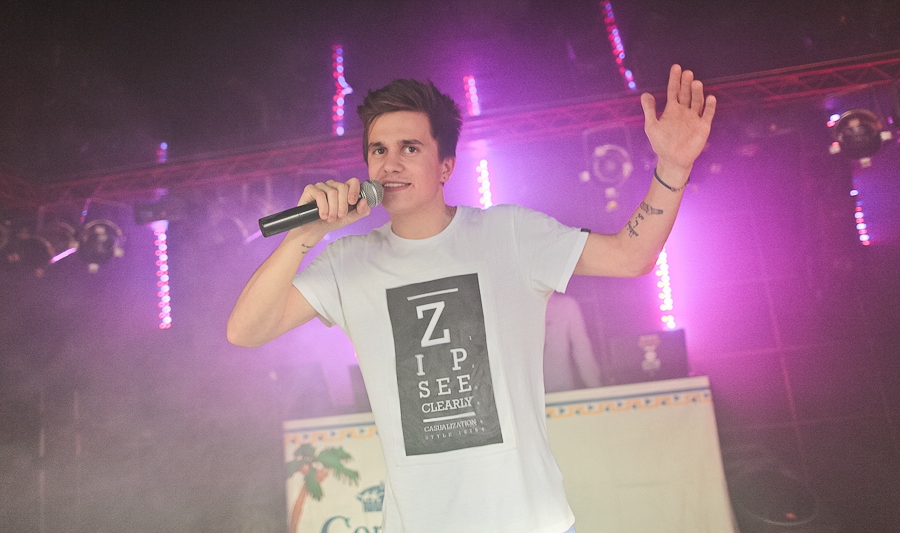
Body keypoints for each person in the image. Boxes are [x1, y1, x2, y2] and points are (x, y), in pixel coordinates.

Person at [227, 65, 716, 533]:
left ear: (446, 166)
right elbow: (245, 331)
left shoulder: (508, 234)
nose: (390, 164)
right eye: (378, 150)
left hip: (530, 523)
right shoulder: (348, 262)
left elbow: (631, 256)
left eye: (410, 147)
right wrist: (303, 236)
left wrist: (672, 167)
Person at [543, 292, 602, 393]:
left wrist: (596, 389)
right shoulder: (520, 310)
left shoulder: (567, 306)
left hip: (562, 390)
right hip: (529, 394)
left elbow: (582, 350)